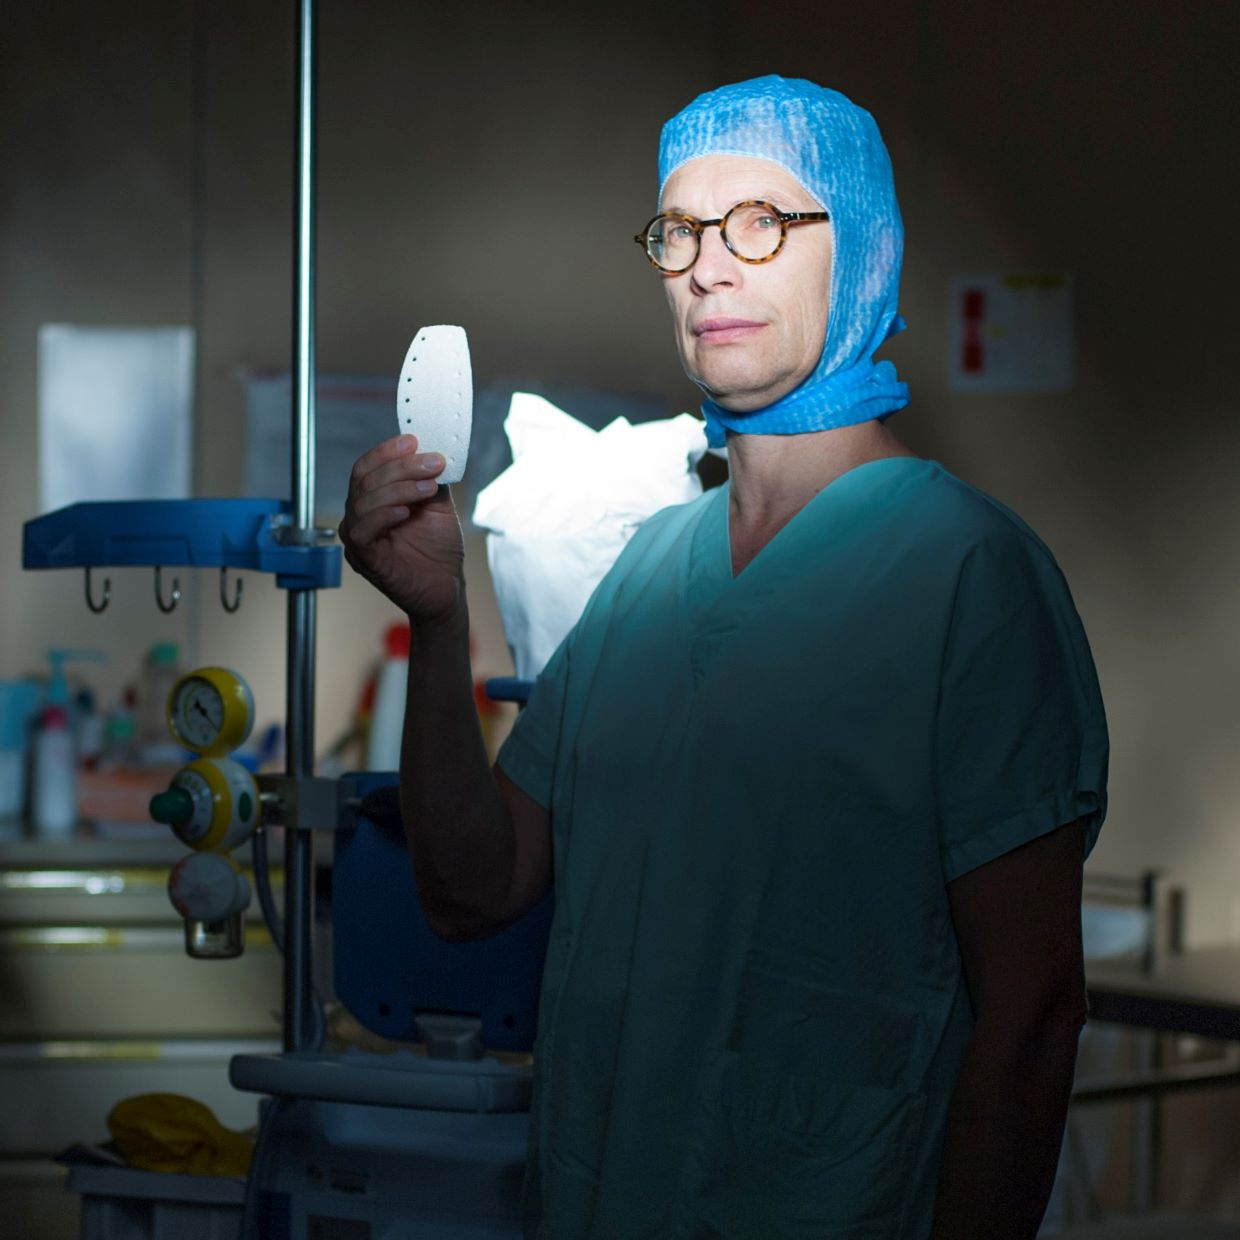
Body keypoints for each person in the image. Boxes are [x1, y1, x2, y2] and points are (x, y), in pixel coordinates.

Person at [340, 75, 1108, 1240]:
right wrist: (440, 621)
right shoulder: (652, 570)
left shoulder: (968, 578)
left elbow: (1034, 1013)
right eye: (680, 231)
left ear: (862, 251)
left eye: (760, 221)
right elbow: (471, 888)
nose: (708, 266)